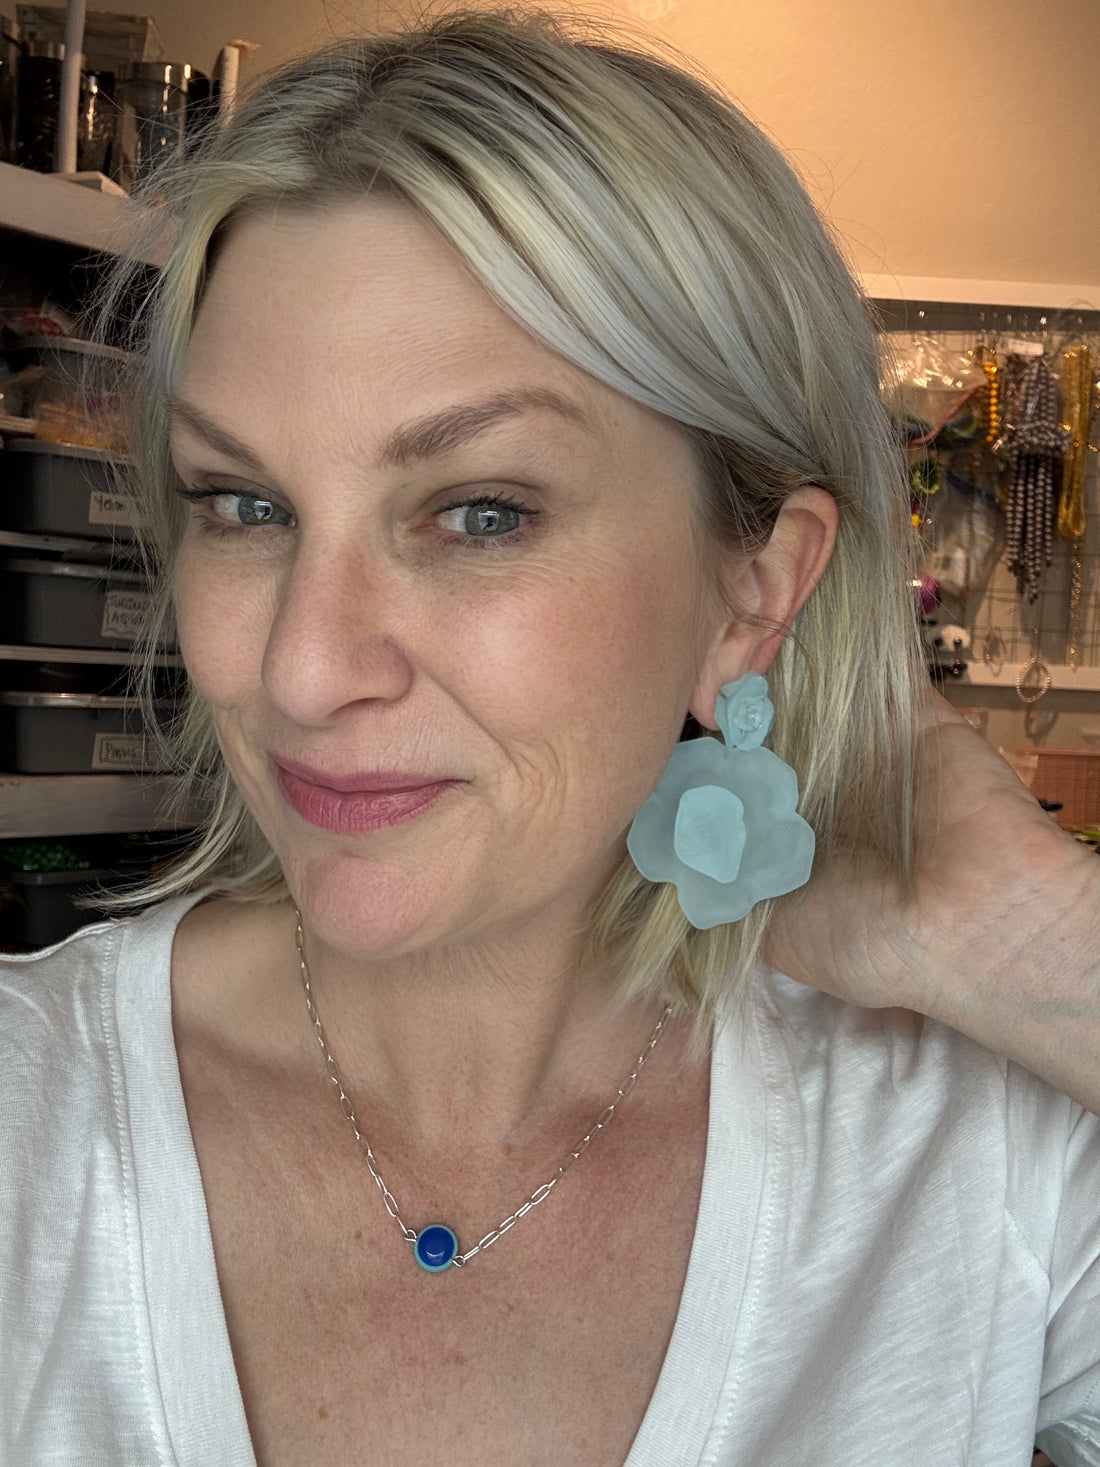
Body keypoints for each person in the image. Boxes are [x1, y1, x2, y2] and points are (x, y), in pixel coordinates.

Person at [1, 9, 1097, 1464]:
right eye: (245, 506)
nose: (302, 669)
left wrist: (1044, 952)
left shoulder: (978, 1169)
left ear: (755, 588)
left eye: (480, 513)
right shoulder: (26, 1116)